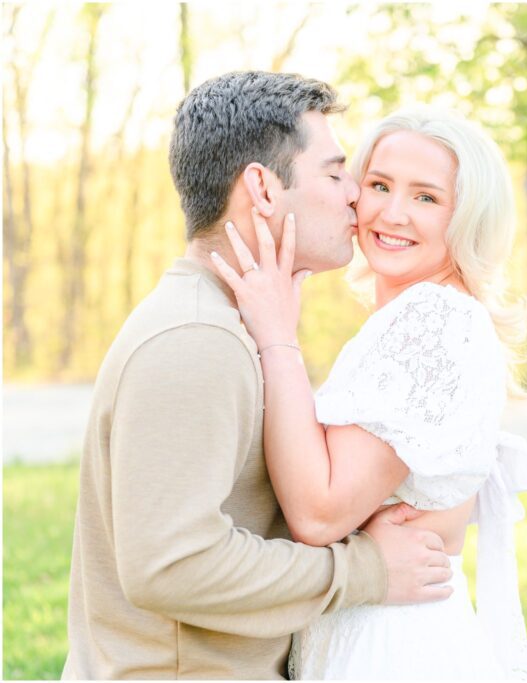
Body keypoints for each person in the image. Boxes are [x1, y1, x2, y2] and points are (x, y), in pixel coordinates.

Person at [61, 72, 454, 680]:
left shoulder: (230, 323)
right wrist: (366, 570)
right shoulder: (197, 340)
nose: (356, 195)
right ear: (263, 188)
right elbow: (173, 565)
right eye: (334, 172)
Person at [210, 105, 527, 679]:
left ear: (469, 216)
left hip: (393, 649)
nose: (392, 212)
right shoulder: (415, 315)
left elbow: (319, 512)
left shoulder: (434, 319)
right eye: (380, 185)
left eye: (427, 197)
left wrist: (277, 337)